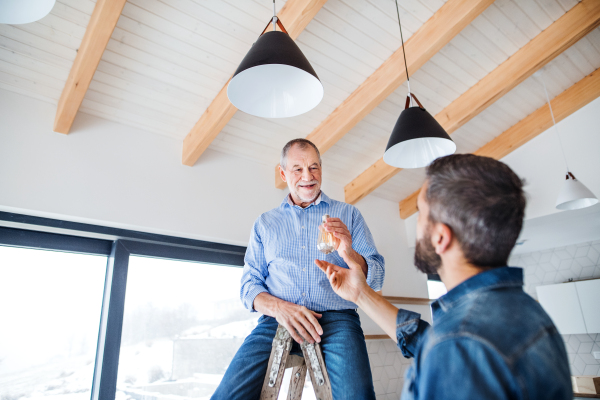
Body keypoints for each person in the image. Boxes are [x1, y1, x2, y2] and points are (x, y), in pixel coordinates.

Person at [316, 154, 572, 400]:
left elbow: (452, 347)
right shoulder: (529, 314)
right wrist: (361, 294)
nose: (417, 227)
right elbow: (429, 342)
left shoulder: (458, 343)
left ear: (440, 237)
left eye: (420, 213)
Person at [211, 138, 385, 399]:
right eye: (298, 169)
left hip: (337, 320)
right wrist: (280, 308)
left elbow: (378, 277)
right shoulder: (265, 224)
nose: (308, 176)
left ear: (322, 170)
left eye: (314, 167)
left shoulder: (349, 215)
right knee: (226, 395)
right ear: (283, 174)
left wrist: (348, 252)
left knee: (358, 396)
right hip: (275, 318)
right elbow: (249, 286)